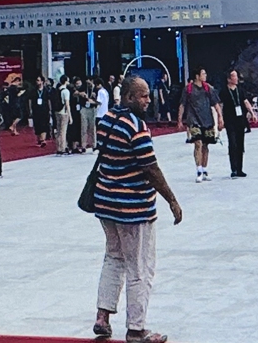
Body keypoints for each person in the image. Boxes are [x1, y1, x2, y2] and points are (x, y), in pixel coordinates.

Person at [90, 75, 181, 343]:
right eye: (143, 96)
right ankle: (136, 328)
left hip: (106, 204)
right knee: (140, 268)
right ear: (128, 97)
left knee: (113, 259)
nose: (148, 100)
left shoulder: (106, 121)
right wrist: (172, 200)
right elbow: (150, 167)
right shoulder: (136, 127)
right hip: (134, 208)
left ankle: (102, 316)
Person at [181, 69, 220, 183]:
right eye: (203, 74)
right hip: (194, 119)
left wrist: (220, 117)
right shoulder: (188, 89)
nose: (205, 75)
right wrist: (180, 120)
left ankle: (204, 168)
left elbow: (216, 103)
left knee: (206, 146)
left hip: (207, 120)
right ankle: (198, 170)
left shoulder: (209, 88)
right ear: (197, 76)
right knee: (198, 143)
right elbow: (182, 104)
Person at [220, 68, 251, 178]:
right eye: (234, 76)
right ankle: (233, 168)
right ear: (229, 79)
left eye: (236, 76)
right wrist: (220, 118)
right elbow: (221, 105)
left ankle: (240, 169)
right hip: (230, 120)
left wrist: (252, 112)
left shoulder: (240, 90)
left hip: (240, 120)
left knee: (240, 144)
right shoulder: (224, 91)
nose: (236, 78)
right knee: (232, 144)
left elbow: (245, 101)